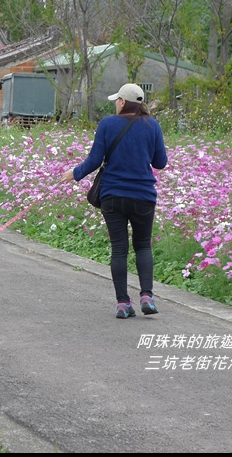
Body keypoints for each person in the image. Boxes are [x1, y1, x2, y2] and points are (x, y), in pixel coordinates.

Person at [60, 83, 168, 319]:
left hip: (112, 196)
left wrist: (74, 173)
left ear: (122, 102)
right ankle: (147, 296)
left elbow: (95, 159)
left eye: (116, 100)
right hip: (143, 196)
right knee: (143, 245)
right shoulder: (153, 125)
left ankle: (122, 303)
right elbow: (160, 163)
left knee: (119, 249)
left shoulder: (108, 124)